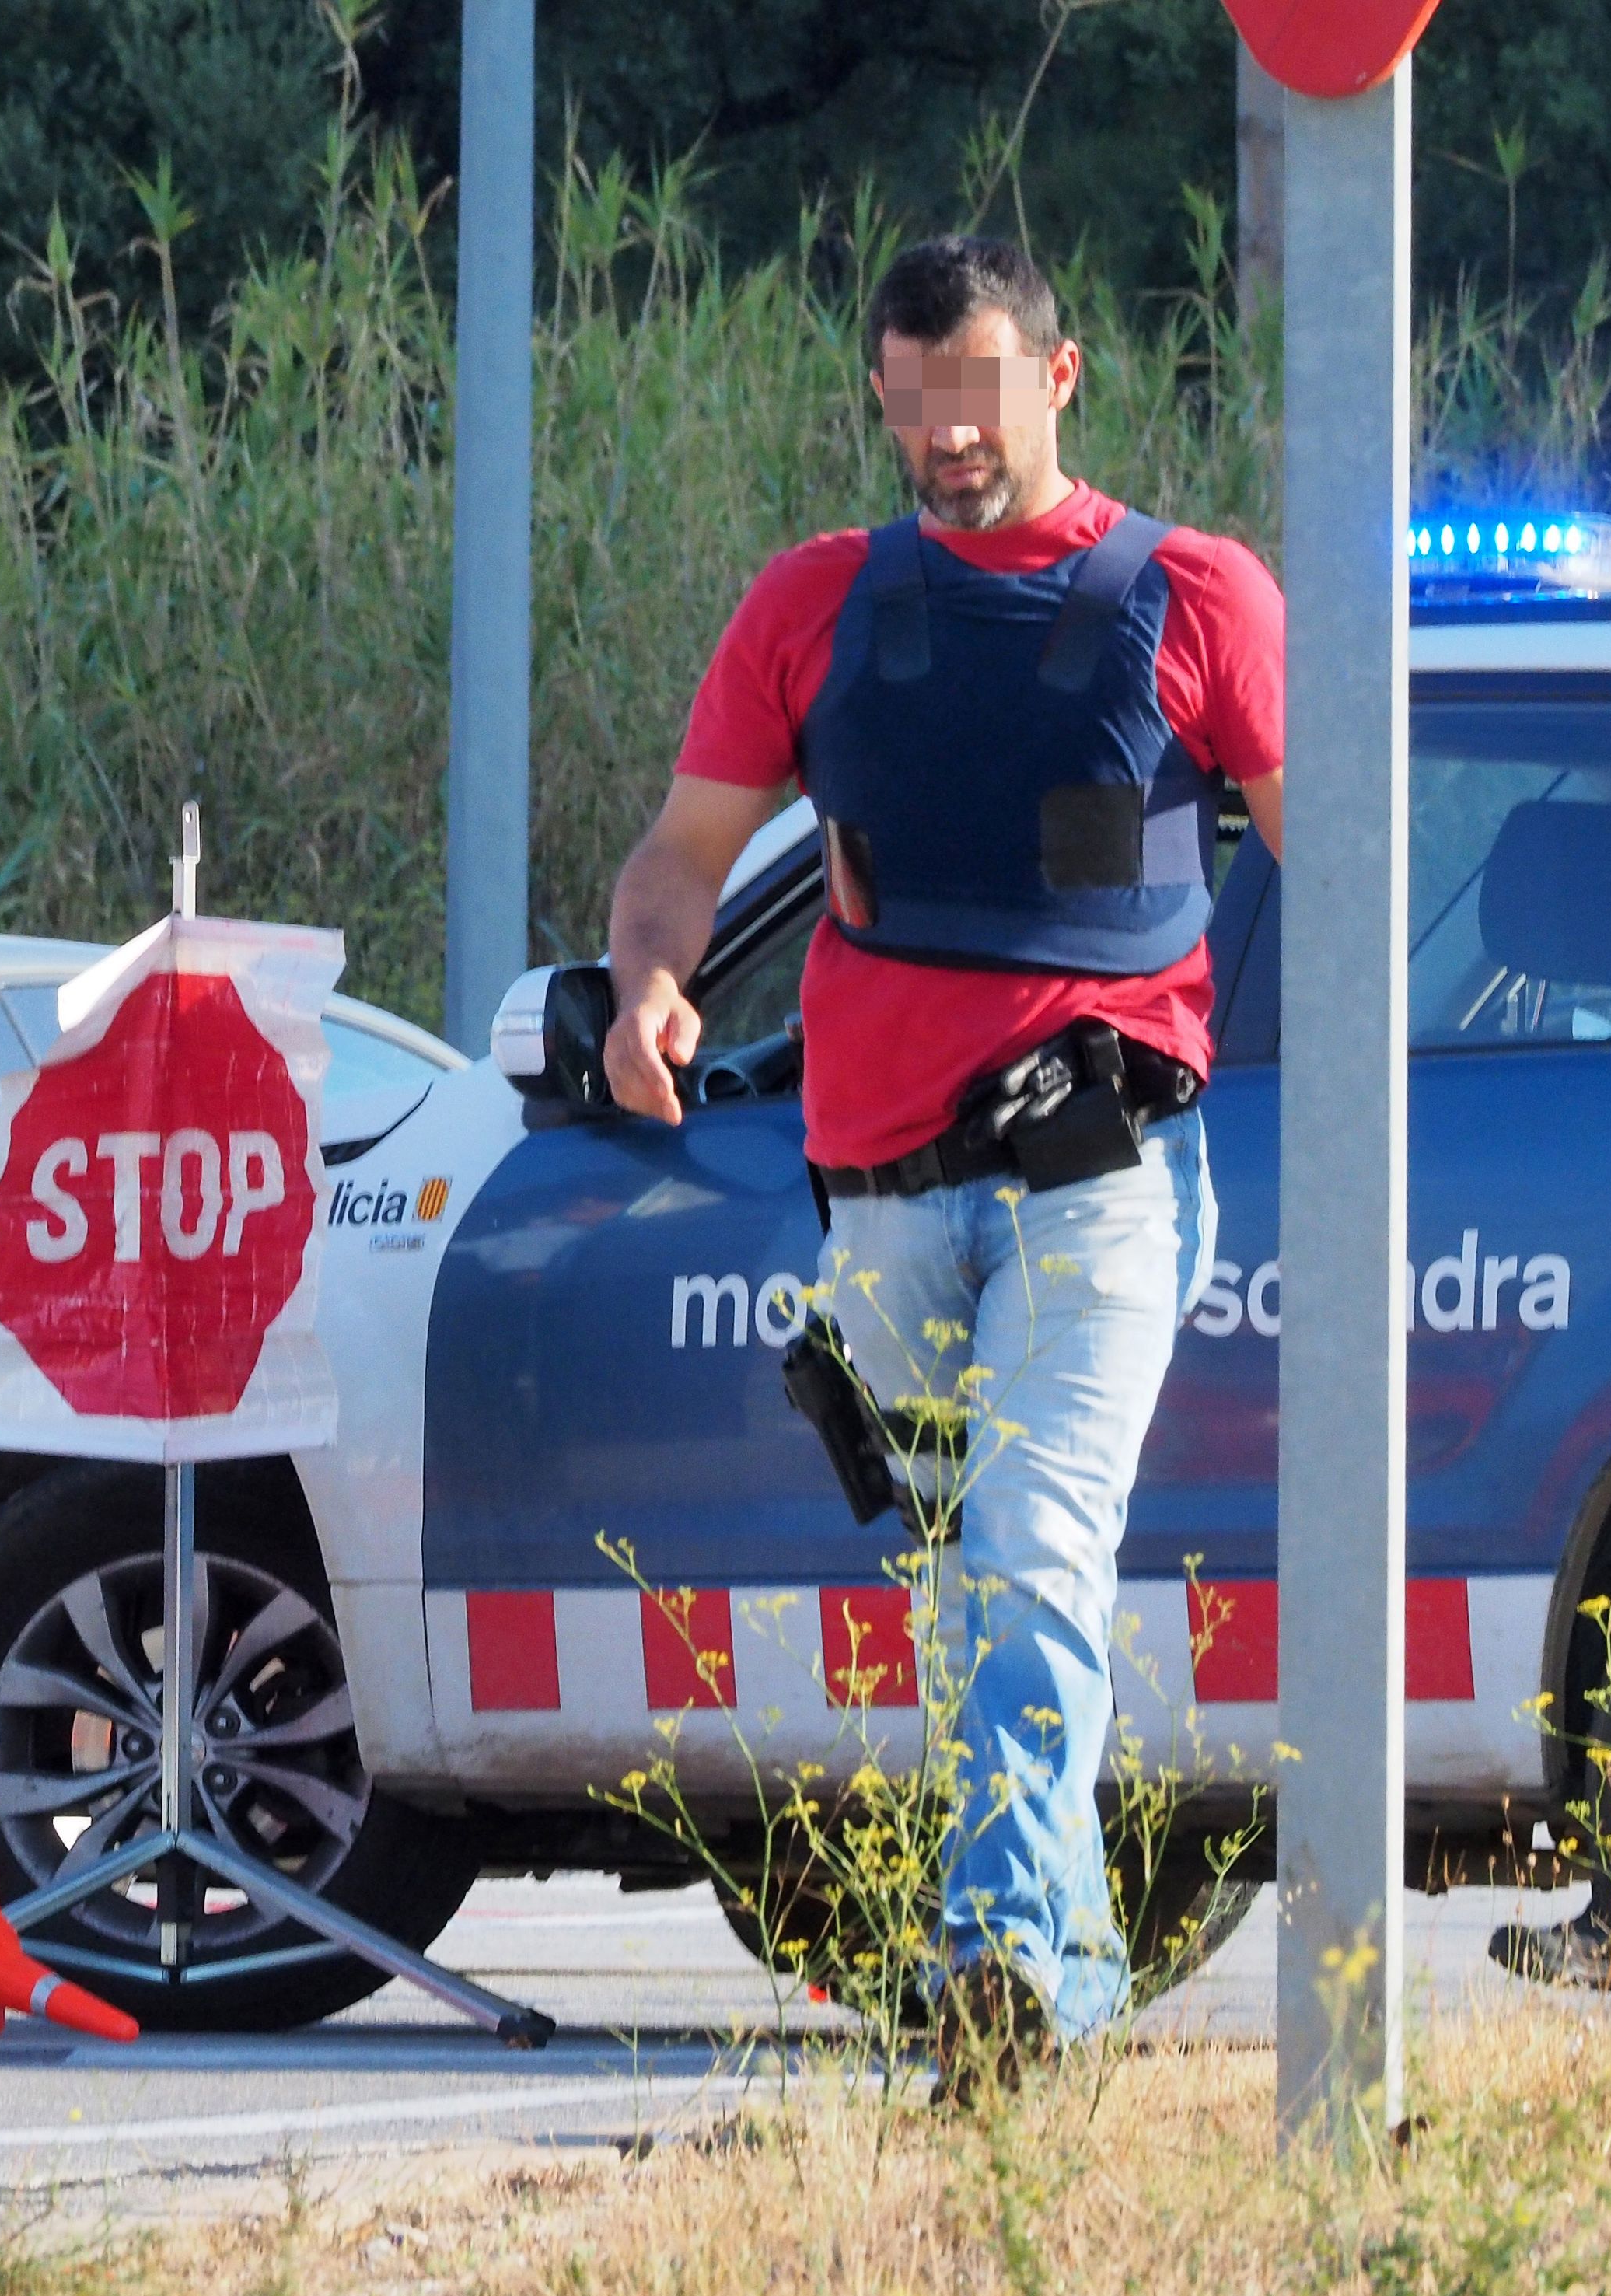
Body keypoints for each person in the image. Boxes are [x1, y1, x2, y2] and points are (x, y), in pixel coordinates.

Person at [599, 236, 1286, 2085]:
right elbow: (678, 857)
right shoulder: (815, 604)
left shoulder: (1196, 594)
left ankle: (985, 1970)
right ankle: (1056, 1980)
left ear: (1059, 380)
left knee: (1034, 1557)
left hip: (1101, 1175)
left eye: (974, 388)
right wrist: (647, 985)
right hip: (876, 1186)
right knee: (968, 1585)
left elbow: (1338, 856)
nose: (943, 433)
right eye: (910, 397)